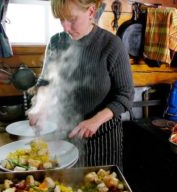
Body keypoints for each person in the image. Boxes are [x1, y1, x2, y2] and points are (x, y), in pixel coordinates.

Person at [27, 0, 134, 170]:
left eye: (71, 18)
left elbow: (125, 95)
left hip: (102, 139)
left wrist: (95, 121)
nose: (65, 27)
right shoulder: (57, 42)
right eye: (61, 19)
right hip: (63, 135)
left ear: (91, 12)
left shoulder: (112, 45)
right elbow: (45, 81)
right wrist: (40, 105)